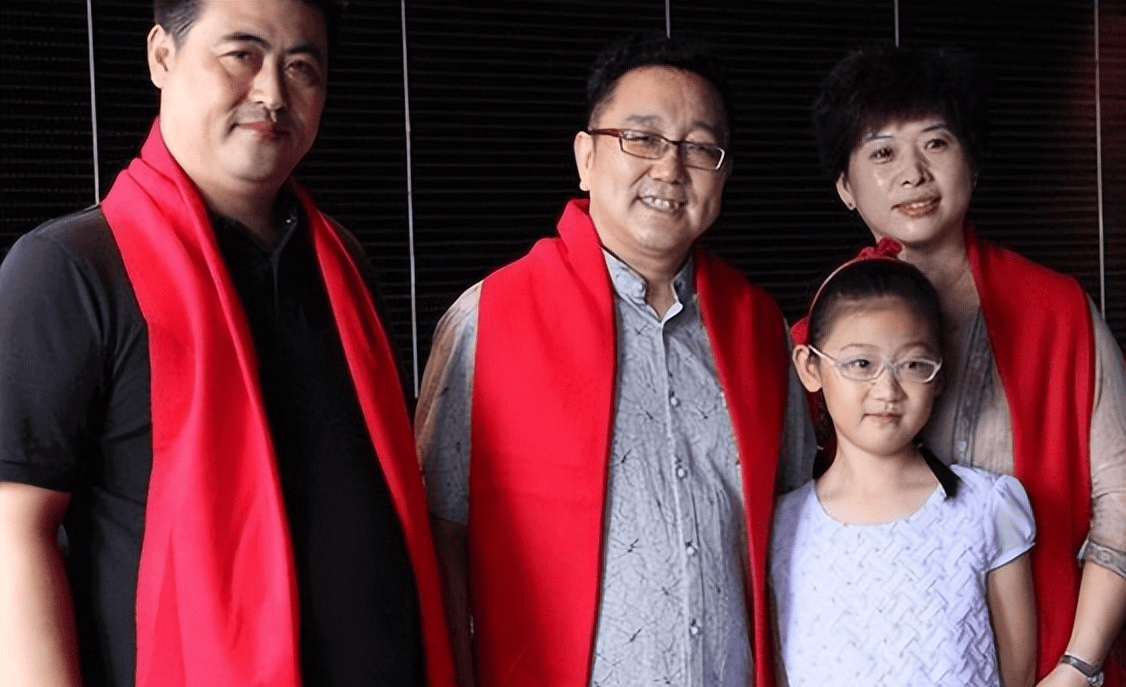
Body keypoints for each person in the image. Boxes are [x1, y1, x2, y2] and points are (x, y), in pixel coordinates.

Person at [0, 1, 454, 686]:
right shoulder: (73, 265)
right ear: (162, 55)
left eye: (301, 68)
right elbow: (16, 528)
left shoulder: (343, 264)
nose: (273, 93)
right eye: (242, 55)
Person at [415, 31, 815, 687]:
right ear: (586, 157)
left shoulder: (761, 332)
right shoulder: (489, 317)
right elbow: (441, 533)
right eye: (642, 138)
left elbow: (795, 526)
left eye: (699, 148)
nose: (670, 169)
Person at [805, 44, 1126, 687]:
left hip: (1052, 660)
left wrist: (1077, 667)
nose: (913, 173)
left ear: (972, 165)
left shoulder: (1057, 311)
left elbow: (1121, 500)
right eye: (882, 153)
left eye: (936, 143)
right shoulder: (823, 338)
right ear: (845, 187)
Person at [775, 253, 1037, 686]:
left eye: (914, 365)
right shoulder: (783, 526)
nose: (888, 389)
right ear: (810, 367)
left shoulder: (987, 509)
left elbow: (1019, 674)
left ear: (940, 373)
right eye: (861, 364)